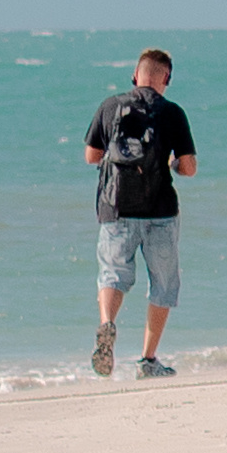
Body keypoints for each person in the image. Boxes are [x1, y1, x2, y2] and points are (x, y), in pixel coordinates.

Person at [83, 46, 196, 377]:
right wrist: (173, 163)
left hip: (116, 210)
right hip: (160, 213)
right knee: (163, 286)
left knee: (113, 274)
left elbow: (91, 155)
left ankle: (107, 324)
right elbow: (188, 168)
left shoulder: (110, 106)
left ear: (135, 75)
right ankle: (148, 361)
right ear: (166, 79)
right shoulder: (172, 113)